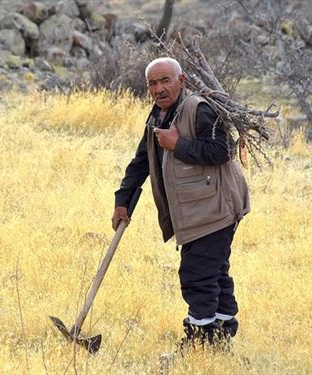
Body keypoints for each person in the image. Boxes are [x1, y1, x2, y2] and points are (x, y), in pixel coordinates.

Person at [112, 57, 250, 349]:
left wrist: (179, 145)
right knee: (214, 271)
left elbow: (221, 150)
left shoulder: (198, 109)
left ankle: (200, 341)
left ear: (181, 80)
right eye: (153, 83)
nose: (159, 89)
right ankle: (223, 333)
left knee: (197, 275)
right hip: (198, 210)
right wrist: (123, 200)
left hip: (216, 209)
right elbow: (141, 161)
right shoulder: (158, 116)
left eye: (166, 81)